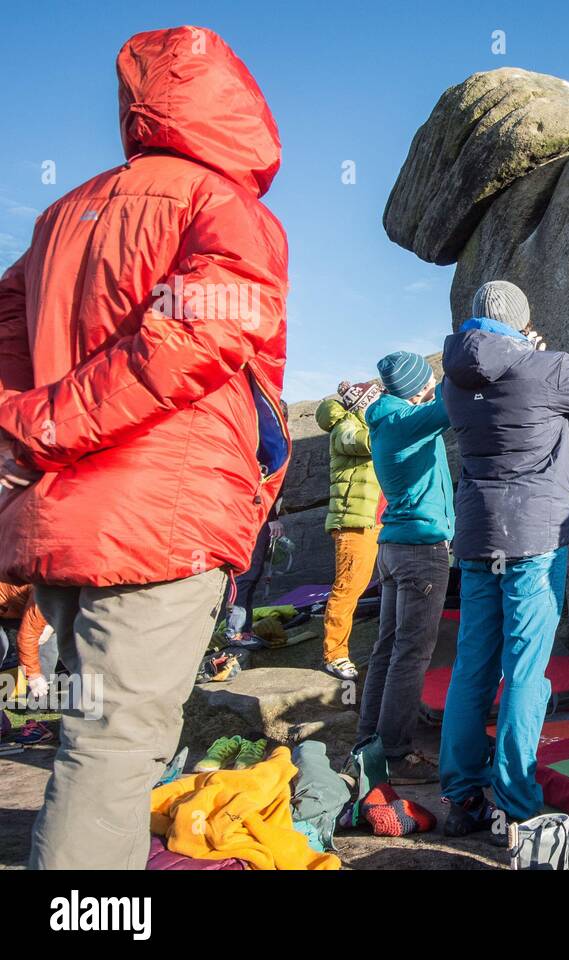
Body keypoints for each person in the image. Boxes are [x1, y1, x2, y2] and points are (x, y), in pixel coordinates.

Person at [0, 26, 289, 869]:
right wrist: (55, 420)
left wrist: (27, 422)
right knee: (114, 749)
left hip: (65, 514)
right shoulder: (223, 206)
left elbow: (8, 326)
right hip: (160, 517)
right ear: (237, 102)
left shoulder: (63, 212)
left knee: (90, 741)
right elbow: (202, 338)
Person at [439, 280, 569, 838]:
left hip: (478, 537)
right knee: (526, 670)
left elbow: (498, 369)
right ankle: (517, 800)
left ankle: (462, 798)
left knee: (472, 667)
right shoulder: (546, 368)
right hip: (533, 539)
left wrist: (523, 352)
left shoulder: (452, 381)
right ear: (521, 321)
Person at [359, 351, 454, 784]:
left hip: (395, 548)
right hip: (421, 549)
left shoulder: (388, 419)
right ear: (418, 385)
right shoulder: (404, 422)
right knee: (410, 654)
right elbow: (453, 402)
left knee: (388, 648)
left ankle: (369, 742)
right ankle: (395, 753)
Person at [315, 379, 384, 680]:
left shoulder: (359, 423)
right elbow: (364, 443)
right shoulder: (344, 426)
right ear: (364, 405)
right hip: (355, 524)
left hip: (378, 522)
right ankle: (335, 654)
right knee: (349, 588)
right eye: (376, 401)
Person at [224, 398, 290, 648]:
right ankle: (236, 631)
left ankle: (243, 629)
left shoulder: (270, 440)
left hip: (257, 514)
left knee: (253, 573)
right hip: (254, 516)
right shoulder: (261, 441)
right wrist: (272, 519)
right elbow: (262, 484)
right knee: (247, 573)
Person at [0, 581, 51, 700]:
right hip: (10, 606)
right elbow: (27, 636)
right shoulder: (45, 592)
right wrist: (33, 675)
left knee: (48, 646)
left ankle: (39, 698)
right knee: (3, 647)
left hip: (14, 608)